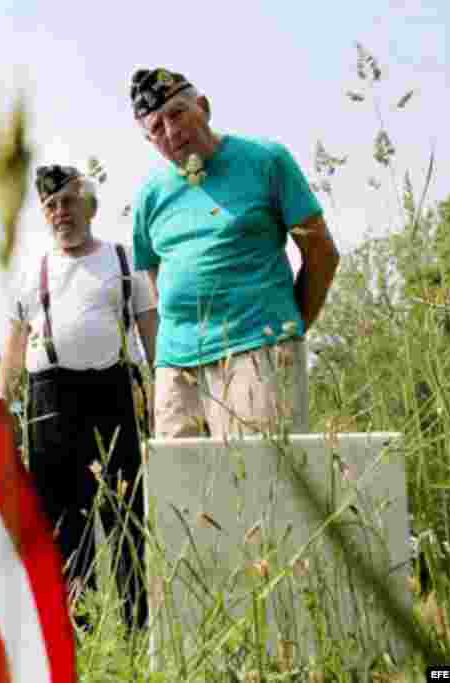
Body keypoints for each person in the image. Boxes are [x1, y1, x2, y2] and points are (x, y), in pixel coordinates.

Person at [130, 68, 340, 438]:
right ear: (150, 141)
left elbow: (321, 252)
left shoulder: (265, 160)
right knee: (182, 490)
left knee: (263, 485)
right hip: (176, 368)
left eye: (177, 114)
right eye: (156, 128)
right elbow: (153, 274)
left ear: (204, 106)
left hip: (258, 350)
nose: (171, 131)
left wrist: (288, 328)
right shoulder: (151, 194)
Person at [0, 164, 158, 629]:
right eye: (50, 206)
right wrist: (2, 408)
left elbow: (154, 341)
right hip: (50, 405)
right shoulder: (32, 273)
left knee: (126, 517)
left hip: (113, 394)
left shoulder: (124, 261)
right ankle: (76, 635)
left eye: (68, 202)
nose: (60, 212)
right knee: (63, 524)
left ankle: (137, 629)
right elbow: (12, 351)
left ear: (88, 205)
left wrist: (165, 392)